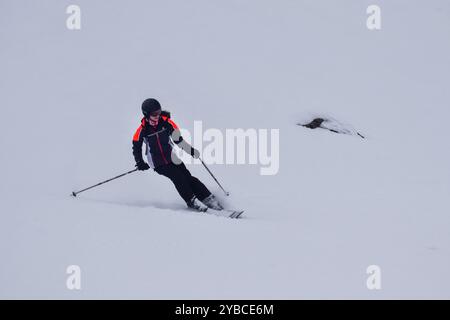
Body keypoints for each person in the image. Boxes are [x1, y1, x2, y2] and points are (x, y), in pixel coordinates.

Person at [132, 98, 223, 212]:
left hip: (172, 158)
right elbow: (136, 147)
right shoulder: (142, 130)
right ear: (146, 114)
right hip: (158, 163)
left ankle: (209, 199)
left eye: (159, 113)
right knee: (178, 177)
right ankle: (192, 201)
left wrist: (190, 150)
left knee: (189, 178)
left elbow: (178, 140)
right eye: (154, 114)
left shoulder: (167, 123)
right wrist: (140, 162)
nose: (157, 116)